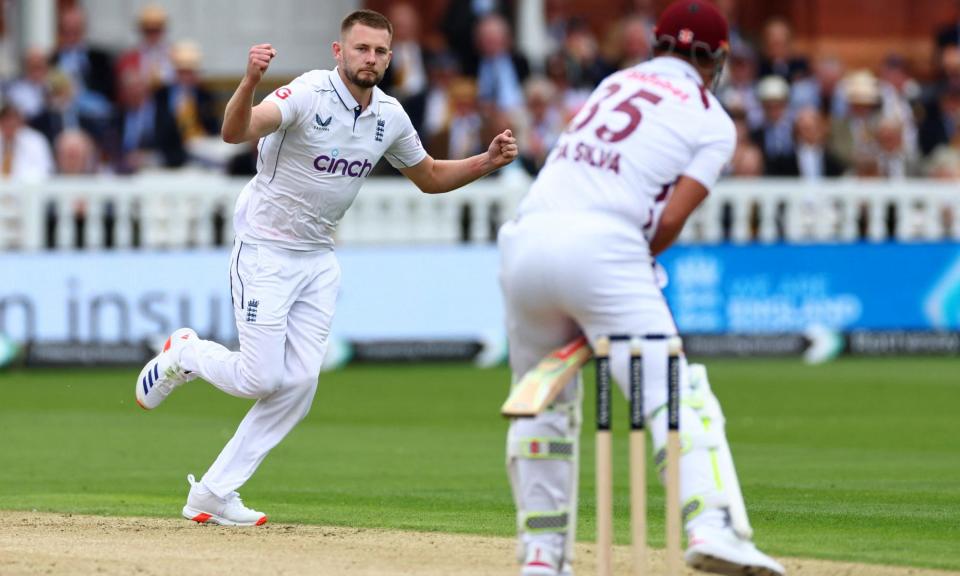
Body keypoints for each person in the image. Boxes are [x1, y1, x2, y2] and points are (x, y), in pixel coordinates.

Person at [133, 9, 517, 526]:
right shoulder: (308, 94)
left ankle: (213, 493)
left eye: (381, 51)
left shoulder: (389, 116)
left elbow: (427, 176)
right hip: (265, 248)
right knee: (261, 377)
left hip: (317, 259)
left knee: (299, 386)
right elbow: (235, 131)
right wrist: (250, 81)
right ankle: (186, 353)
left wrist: (486, 162)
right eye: (362, 49)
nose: (372, 60)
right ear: (339, 51)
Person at [497, 1, 784, 575]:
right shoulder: (712, 120)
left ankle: (541, 554)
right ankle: (712, 525)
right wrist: (628, 272)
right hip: (605, 245)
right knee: (673, 391)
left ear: (656, 45)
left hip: (524, 241)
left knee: (543, 403)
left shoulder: (614, 82)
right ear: (720, 59)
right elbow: (670, 220)